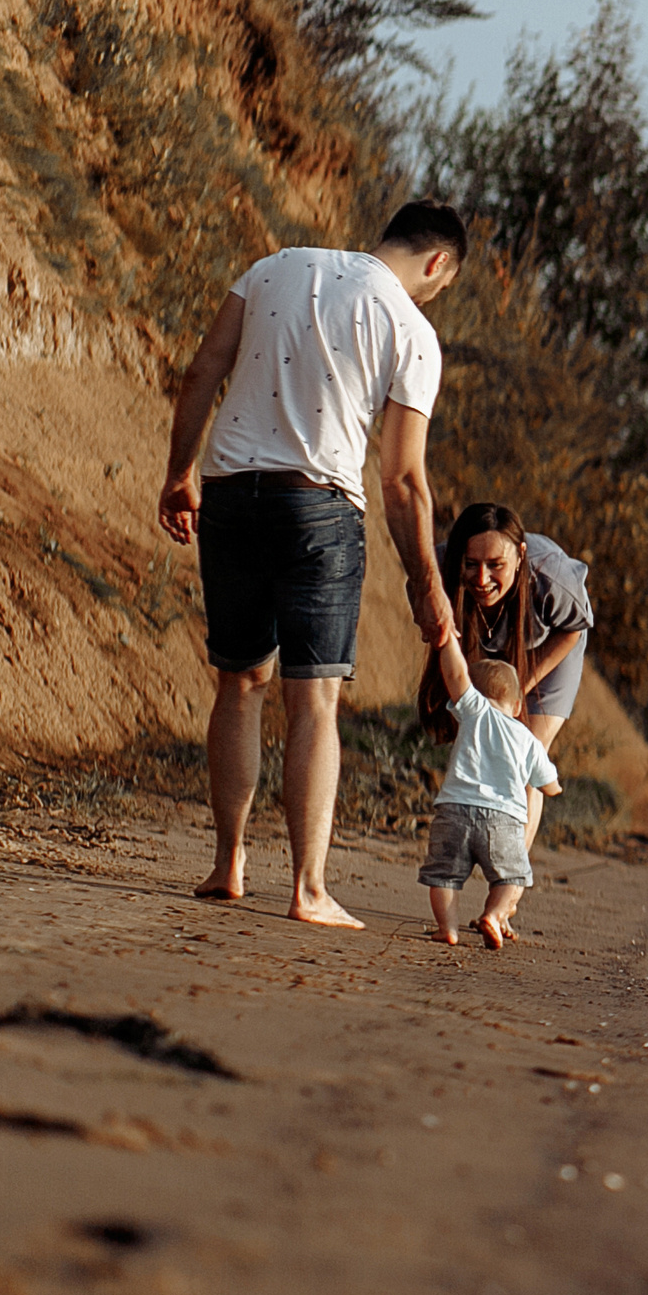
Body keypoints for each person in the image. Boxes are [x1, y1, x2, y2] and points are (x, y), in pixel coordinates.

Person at [156, 202, 466, 929]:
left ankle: (228, 864)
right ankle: (308, 888)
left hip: (232, 497)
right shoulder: (411, 329)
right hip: (319, 509)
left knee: (239, 683)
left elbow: (204, 368)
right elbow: (403, 481)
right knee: (314, 701)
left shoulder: (274, 267)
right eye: (440, 287)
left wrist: (180, 472)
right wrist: (427, 585)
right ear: (437, 264)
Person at [418, 503, 594, 847]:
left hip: (551, 645)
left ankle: (510, 878)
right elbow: (420, 596)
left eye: (495, 565)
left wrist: (520, 688)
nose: (482, 580)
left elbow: (572, 629)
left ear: (520, 556)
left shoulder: (552, 576)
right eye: (471, 565)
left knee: (525, 751)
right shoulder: (437, 568)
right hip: (484, 636)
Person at [416, 626, 559, 950]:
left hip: (454, 812)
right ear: (519, 705)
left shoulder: (474, 711)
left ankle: (447, 928)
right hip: (504, 821)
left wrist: (448, 640)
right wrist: (555, 788)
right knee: (513, 876)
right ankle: (494, 915)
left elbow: (455, 675)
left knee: (443, 876)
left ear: (474, 697)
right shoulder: (528, 738)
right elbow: (547, 784)